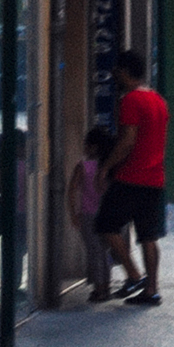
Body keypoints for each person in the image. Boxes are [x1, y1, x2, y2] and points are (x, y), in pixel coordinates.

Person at [103, 48, 172, 304]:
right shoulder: (158, 100)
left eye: (117, 71)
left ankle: (134, 274)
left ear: (124, 71)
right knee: (149, 236)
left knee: (105, 225)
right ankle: (152, 289)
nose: (115, 75)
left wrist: (105, 167)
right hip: (155, 178)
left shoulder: (130, 100)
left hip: (131, 176)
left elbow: (127, 141)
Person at [70, 120, 117, 297]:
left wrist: (73, 212)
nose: (84, 147)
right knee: (104, 250)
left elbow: (72, 189)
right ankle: (106, 284)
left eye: (86, 144)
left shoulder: (83, 166)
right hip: (108, 213)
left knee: (94, 250)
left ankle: (99, 288)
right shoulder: (110, 167)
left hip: (88, 214)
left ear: (93, 147)